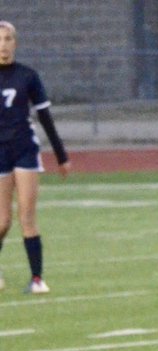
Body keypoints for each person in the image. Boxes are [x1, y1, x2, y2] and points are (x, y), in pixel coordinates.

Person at [0, 21, 69, 295]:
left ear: (15, 43)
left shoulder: (27, 76)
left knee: (27, 215)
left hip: (24, 148)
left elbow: (45, 118)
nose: (3, 45)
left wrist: (61, 155)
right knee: (3, 221)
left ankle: (37, 279)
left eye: (8, 39)